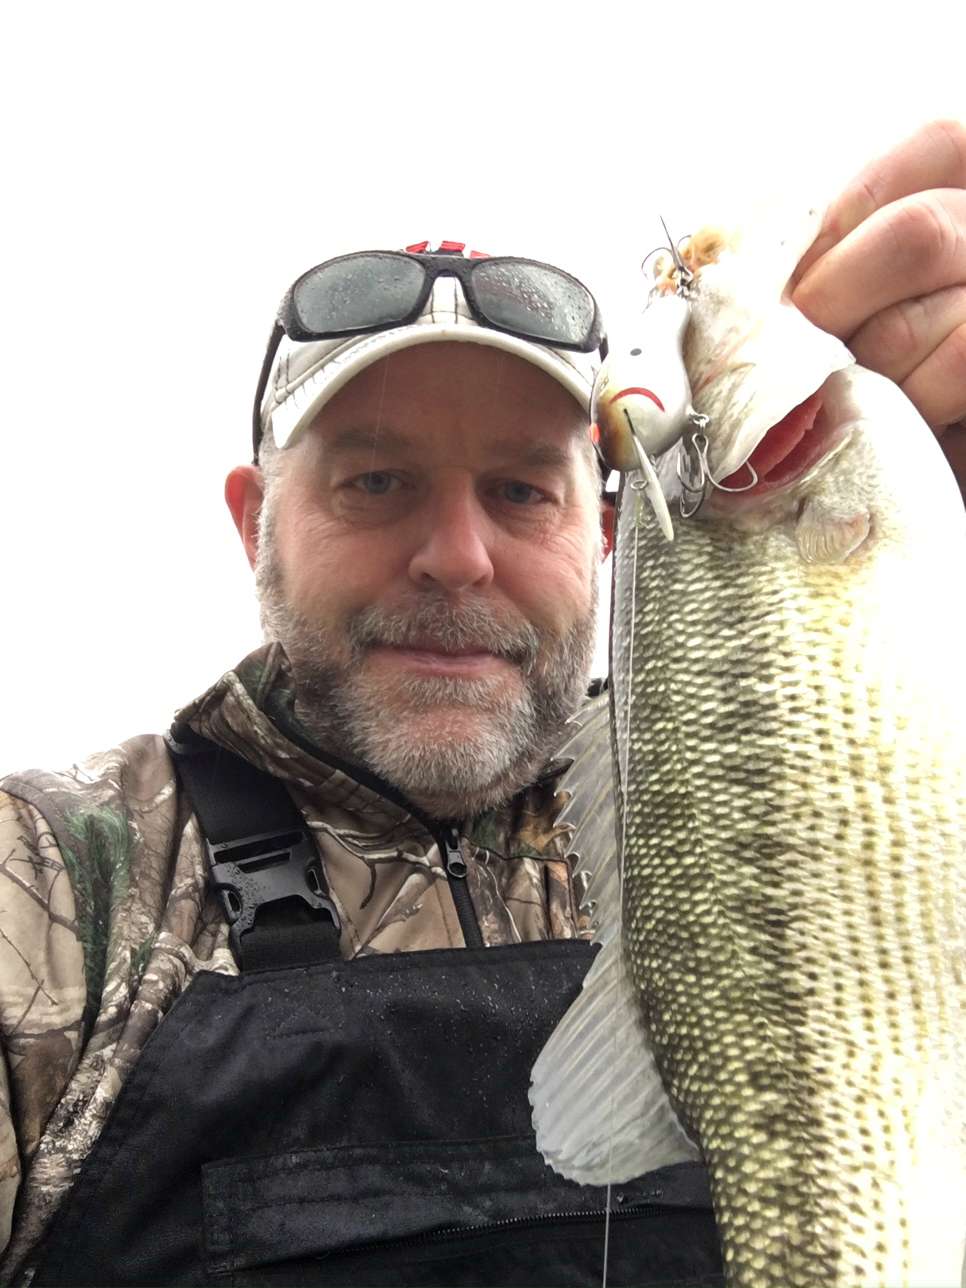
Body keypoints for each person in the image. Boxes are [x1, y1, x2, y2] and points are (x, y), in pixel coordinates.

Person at [0, 119, 964, 1288]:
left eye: (519, 490)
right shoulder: (50, 883)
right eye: (376, 481)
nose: (456, 557)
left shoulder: (805, 790)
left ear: (603, 532)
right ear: (256, 522)